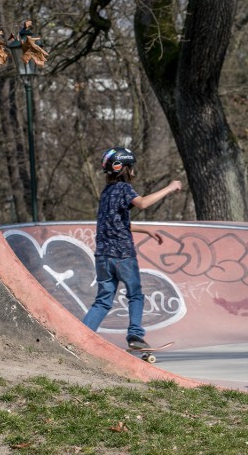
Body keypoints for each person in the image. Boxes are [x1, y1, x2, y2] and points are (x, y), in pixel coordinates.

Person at [82, 147, 182, 349]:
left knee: (103, 301)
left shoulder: (106, 193)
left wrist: (146, 231)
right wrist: (170, 188)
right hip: (123, 255)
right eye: (132, 167)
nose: (134, 171)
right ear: (124, 168)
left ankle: (79, 336)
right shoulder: (125, 189)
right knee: (135, 294)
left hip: (103, 256)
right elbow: (143, 204)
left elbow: (114, 224)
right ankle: (135, 335)